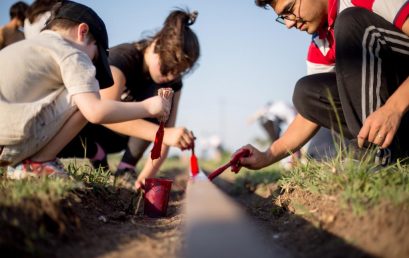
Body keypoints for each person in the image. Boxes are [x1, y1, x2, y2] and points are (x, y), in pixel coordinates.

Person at [0, 1, 172, 179]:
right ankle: (39, 162)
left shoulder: (23, 47)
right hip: (8, 142)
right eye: (95, 56)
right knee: (88, 94)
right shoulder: (73, 54)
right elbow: (95, 112)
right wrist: (149, 107)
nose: (92, 63)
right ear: (82, 32)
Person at [235, 0, 409, 171]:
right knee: (307, 93)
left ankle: (375, 156)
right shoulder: (321, 41)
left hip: (401, 108)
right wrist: (267, 156)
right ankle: (379, 151)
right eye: (283, 17)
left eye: (290, 9)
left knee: (350, 22)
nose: (288, 24)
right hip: (394, 131)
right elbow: (307, 116)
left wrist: (394, 108)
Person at [58, 8, 200, 189]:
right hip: (88, 130)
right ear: (157, 45)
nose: (171, 77)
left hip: (124, 140)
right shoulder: (123, 58)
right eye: (166, 68)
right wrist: (164, 135)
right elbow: (102, 114)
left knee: (161, 106)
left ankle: (126, 169)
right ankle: (95, 153)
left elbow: (166, 136)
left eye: (178, 73)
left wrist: (145, 178)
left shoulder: (172, 83)